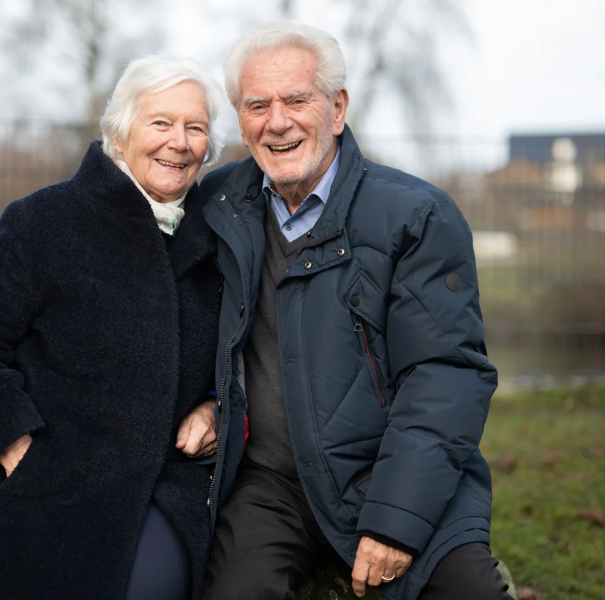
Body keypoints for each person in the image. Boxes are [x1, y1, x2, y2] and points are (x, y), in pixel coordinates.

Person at [199, 22, 510, 600]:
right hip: (271, 486)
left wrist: (396, 519)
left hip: (391, 473)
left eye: (297, 100)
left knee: (471, 592)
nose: (278, 122)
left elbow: (445, 375)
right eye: (258, 105)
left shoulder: (416, 216)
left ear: (338, 109)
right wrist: (204, 399)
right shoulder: (217, 207)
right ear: (241, 121)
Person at [0, 56, 226, 600]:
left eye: (194, 128)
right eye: (160, 123)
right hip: (38, 471)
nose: (178, 142)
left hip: (160, 487)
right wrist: (15, 446)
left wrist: (216, 404)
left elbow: (248, 356)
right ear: (119, 133)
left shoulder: (219, 243)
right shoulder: (45, 221)